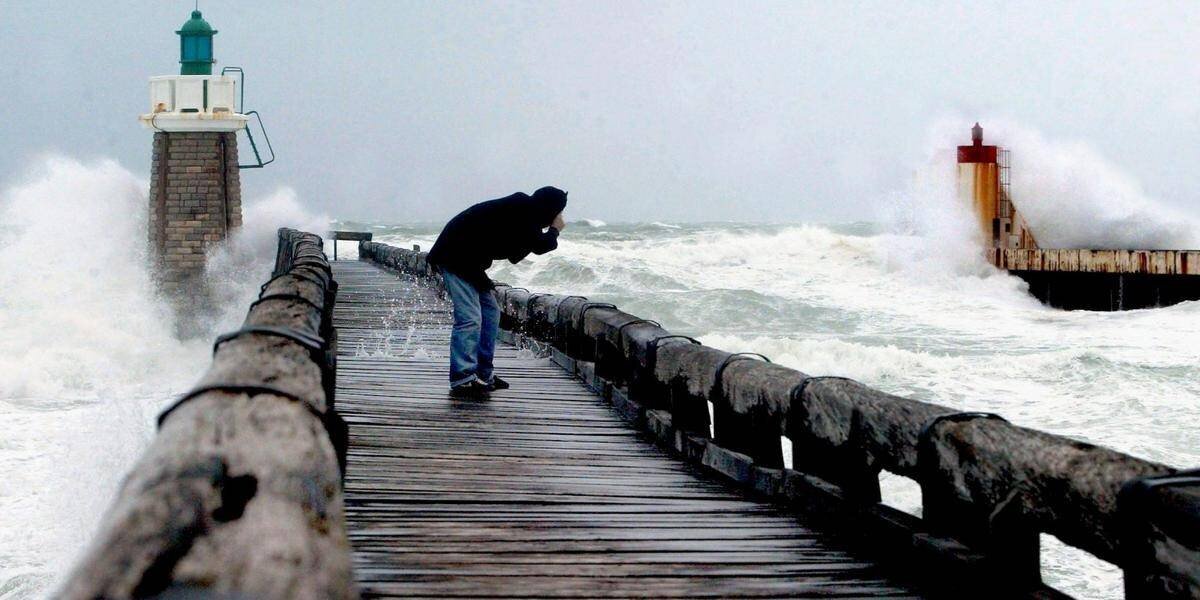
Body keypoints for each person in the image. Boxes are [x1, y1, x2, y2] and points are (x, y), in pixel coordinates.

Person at [426, 186, 568, 397]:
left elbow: (531, 242)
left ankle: (483, 374)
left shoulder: (525, 210)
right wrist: (556, 229)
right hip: (454, 256)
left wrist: (551, 229)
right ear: (550, 209)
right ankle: (462, 378)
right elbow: (540, 245)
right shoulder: (523, 208)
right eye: (556, 212)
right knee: (470, 318)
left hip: (470, 261)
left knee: (490, 313)